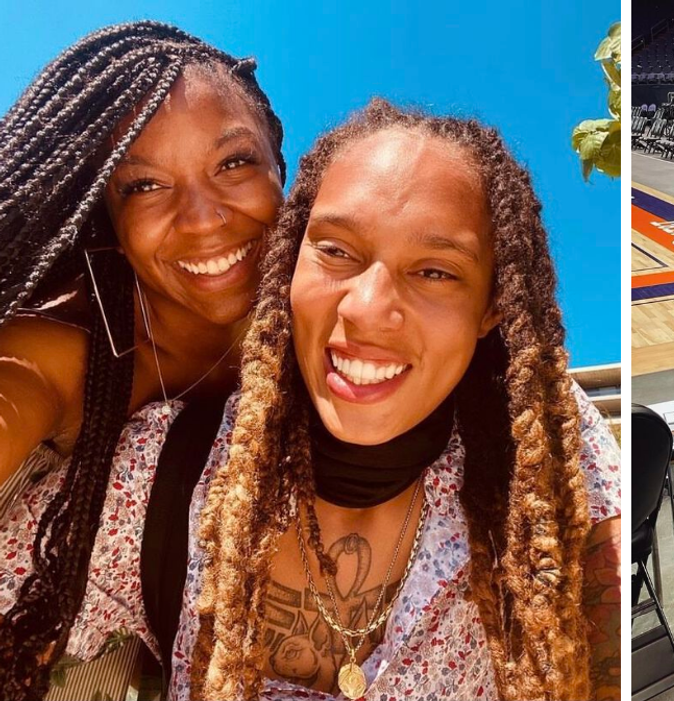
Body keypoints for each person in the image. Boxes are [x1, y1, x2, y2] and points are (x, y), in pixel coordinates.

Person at [0, 99, 622, 701]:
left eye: (436, 270)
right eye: (336, 251)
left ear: (491, 306)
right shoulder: (157, 471)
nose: (369, 310)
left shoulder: (537, 452)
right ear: (288, 262)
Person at [0, 22, 285, 699]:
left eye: (233, 163)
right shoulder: (62, 349)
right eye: (145, 185)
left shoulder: (327, 322)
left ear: (281, 163)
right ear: (108, 214)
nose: (202, 217)